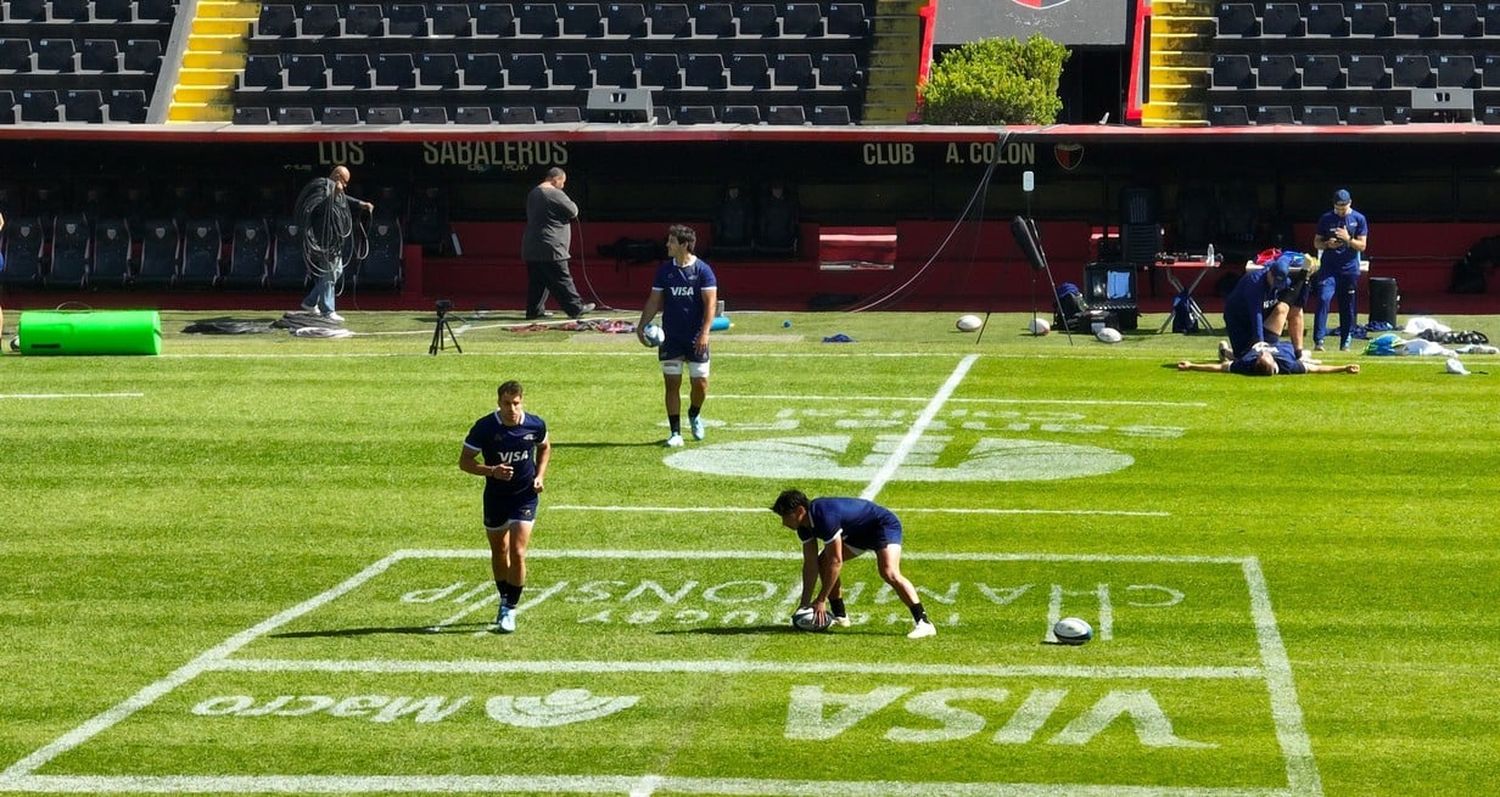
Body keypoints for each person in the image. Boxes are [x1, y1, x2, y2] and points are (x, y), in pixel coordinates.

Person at [770, 489, 937, 639]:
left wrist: (821, 599)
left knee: (889, 572)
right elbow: (810, 565)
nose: (784, 523)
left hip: (881, 526)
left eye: (785, 516)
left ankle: (924, 623)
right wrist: (804, 604)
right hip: (857, 534)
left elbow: (836, 562)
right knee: (822, 562)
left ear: (800, 510)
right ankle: (840, 616)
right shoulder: (803, 527)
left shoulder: (824, 517)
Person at [459, 380, 551, 634]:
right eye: (507, 403)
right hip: (496, 497)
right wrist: (491, 471)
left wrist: (540, 475)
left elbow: (544, 447)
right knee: (500, 551)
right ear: (498, 402)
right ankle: (503, 598)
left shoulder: (535, 424)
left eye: (516, 403)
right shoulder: (485, 428)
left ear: (522, 401)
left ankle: (510, 607)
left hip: (525, 497)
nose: (512, 408)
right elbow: (465, 462)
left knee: (518, 551)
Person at [636, 224, 717, 447]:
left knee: (700, 384)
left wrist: (705, 333)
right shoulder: (665, 271)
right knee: (672, 384)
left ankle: (694, 413)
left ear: (683, 244)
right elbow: (654, 300)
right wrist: (641, 325)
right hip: (671, 337)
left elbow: (710, 304)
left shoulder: (703, 270)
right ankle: (675, 433)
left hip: (696, 337)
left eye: (671, 241)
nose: (667, 245)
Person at [295, 165, 372, 324]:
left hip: (333, 240)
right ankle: (327, 310)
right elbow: (318, 208)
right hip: (322, 240)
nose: (344, 186)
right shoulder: (321, 188)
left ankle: (310, 302)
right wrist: (334, 194)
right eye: (344, 182)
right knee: (330, 273)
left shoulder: (336, 190)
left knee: (335, 271)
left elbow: (344, 199)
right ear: (337, 176)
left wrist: (360, 204)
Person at [522, 167, 594, 320]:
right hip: (551, 245)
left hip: (532, 245)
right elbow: (573, 211)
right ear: (556, 179)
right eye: (563, 182)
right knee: (562, 278)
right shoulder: (554, 193)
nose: (563, 186)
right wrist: (564, 196)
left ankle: (534, 310)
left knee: (538, 280)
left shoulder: (534, 192)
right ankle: (576, 307)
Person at [1311, 188, 1369, 352]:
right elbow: (1316, 242)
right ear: (1334, 205)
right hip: (1329, 267)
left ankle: (1345, 340)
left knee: (1347, 305)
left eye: (1344, 208)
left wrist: (1348, 239)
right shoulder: (1326, 218)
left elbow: (1362, 245)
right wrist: (1327, 244)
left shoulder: (1358, 219)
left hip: (1349, 269)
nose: (1341, 212)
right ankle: (1319, 340)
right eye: (1338, 208)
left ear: (1350, 203)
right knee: (1323, 298)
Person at [1177, 341, 1360, 376]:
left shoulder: (1247, 364)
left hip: (1253, 340)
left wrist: (1192, 365)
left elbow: (1220, 368)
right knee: (1307, 356)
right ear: (1273, 365)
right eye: (1266, 356)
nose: (1264, 354)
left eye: (1261, 356)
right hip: (1280, 341)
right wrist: (1343, 368)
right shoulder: (1288, 365)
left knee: (1236, 355)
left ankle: (1225, 351)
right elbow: (1318, 370)